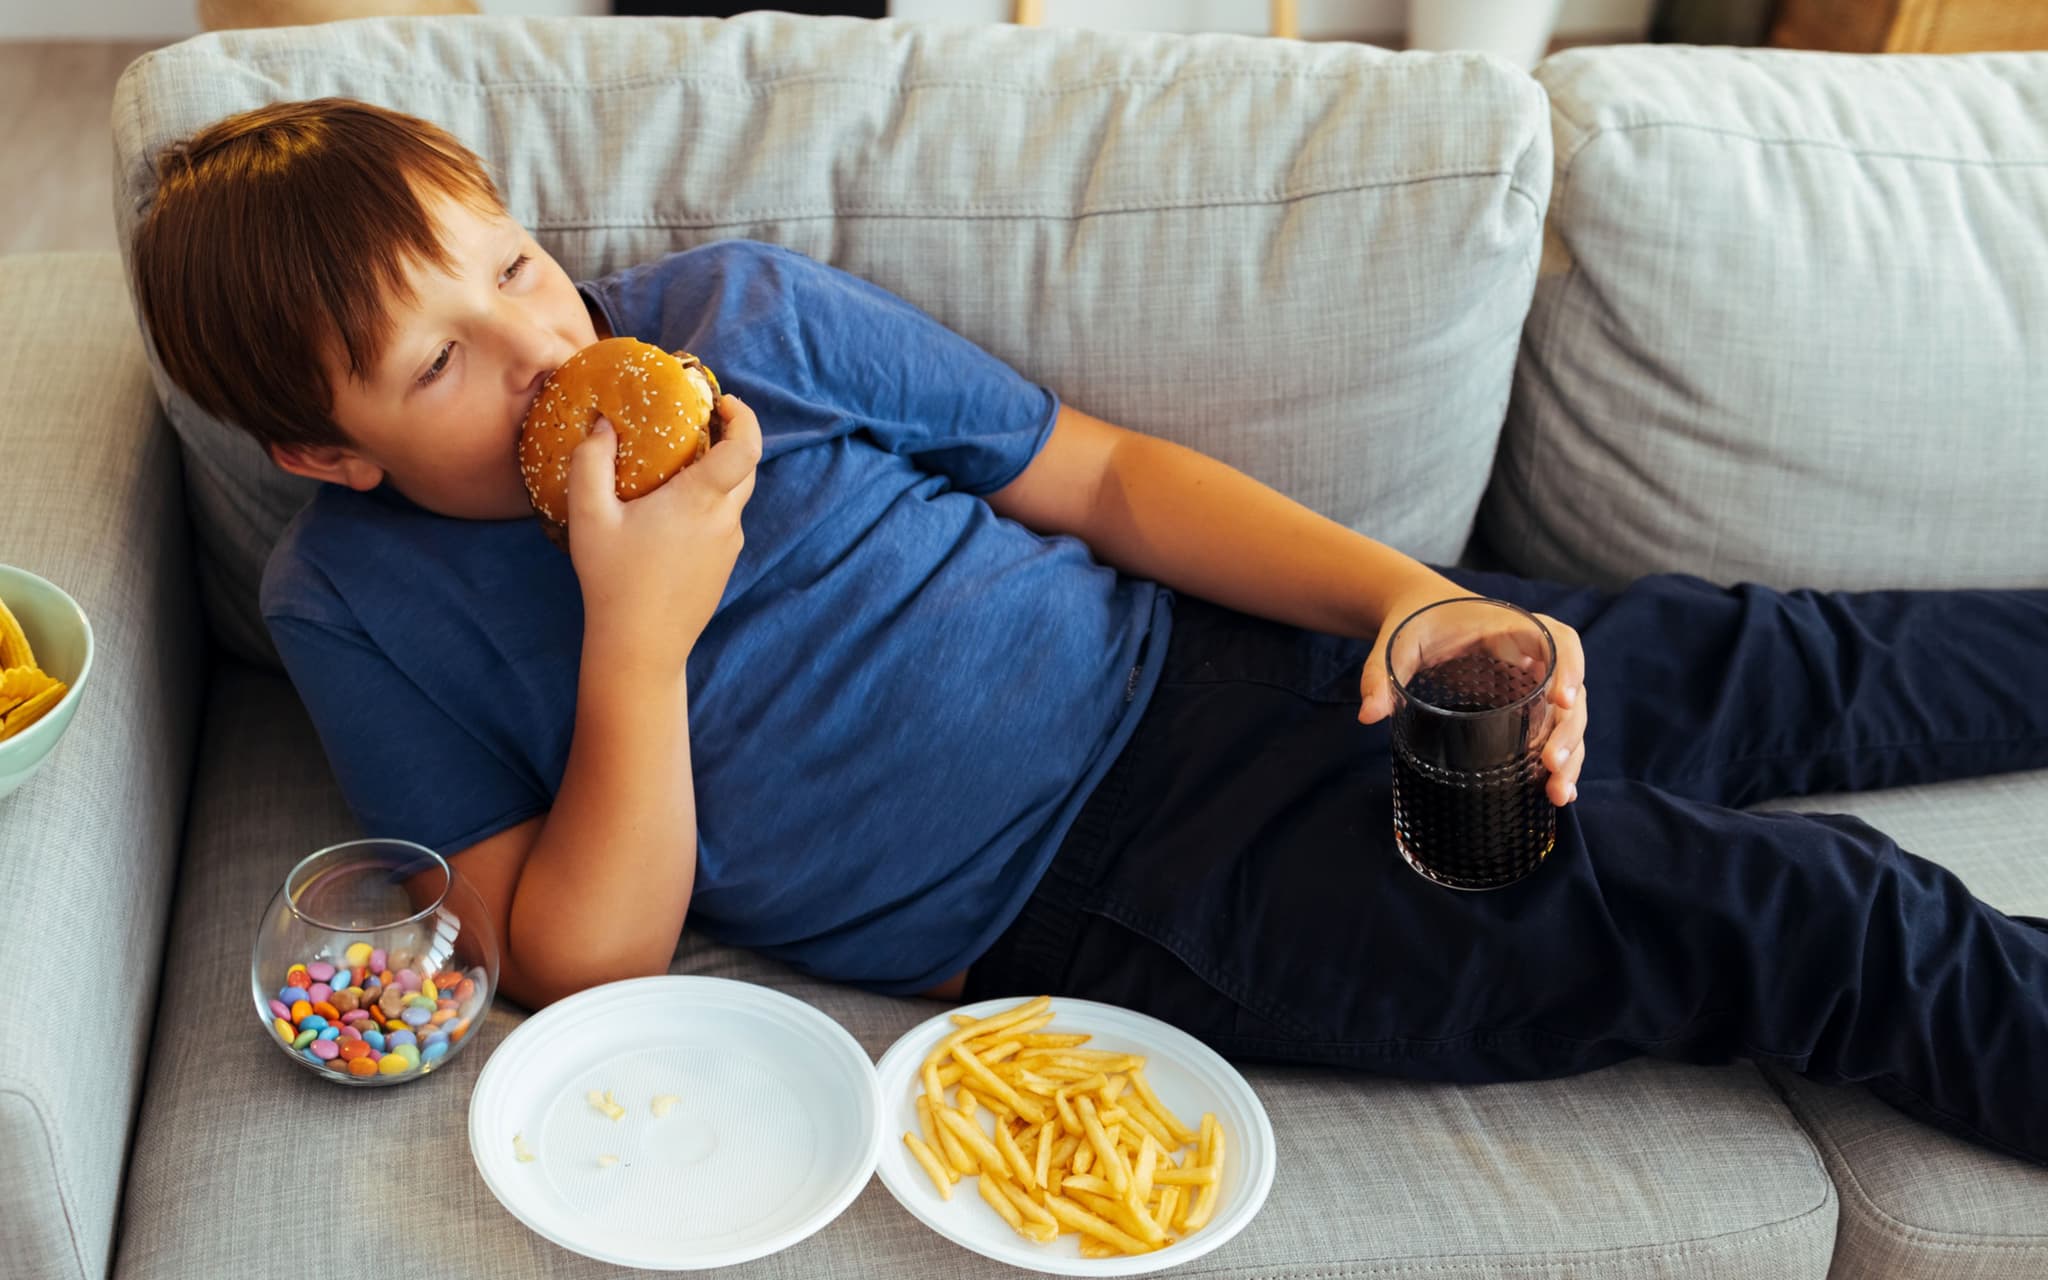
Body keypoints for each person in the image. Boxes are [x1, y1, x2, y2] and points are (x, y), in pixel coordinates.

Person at [133, 98, 2048, 1167]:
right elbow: (576, 959)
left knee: (1788, 662)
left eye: (517, 265)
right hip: (1131, 885)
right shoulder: (349, 604)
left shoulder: (745, 318)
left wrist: (1412, 594)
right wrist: (637, 638)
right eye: (442, 359)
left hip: (1226, 646)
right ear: (330, 446)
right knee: (1811, 911)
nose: (544, 347)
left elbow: (1108, 480)